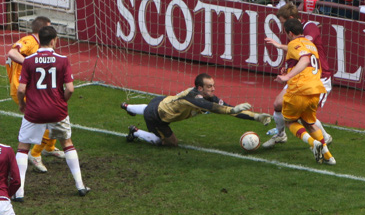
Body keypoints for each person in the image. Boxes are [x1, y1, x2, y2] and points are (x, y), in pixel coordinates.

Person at [15, 25, 89, 200]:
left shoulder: (28, 61)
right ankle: (80, 186)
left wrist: (22, 104)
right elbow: (70, 89)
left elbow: (21, 89)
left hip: (34, 111)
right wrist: (62, 101)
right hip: (57, 110)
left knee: (23, 147)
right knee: (67, 143)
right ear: (54, 40)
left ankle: (19, 192)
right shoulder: (63, 60)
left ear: (39, 40)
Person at [123, 73, 269, 147]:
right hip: (156, 116)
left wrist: (256, 117)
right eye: (209, 86)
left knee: (151, 108)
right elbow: (214, 108)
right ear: (200, 88)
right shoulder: (193, 98)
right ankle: (135, 132)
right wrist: (231, 110)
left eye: (213, 85)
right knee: (171, 143)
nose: (213, 89)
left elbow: (230, 109)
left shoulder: (207, 96)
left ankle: (129, 107)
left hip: (161, 101)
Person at [272, 18, 334, 164]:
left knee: (289, 121)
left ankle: (313, 143)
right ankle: (329, 157)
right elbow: (306, 60)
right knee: (309, 123)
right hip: (315, 90)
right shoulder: (311, 45)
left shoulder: (294, 44)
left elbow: (305, 60)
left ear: (290, 33)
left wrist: (286, 76)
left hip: (300, 90)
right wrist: (288, 67)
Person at [5, 16, 60, 175]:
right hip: (22, 89)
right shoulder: (29, 41)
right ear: (42, 29)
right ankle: (34, 154)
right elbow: (11, 52)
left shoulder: (41, 45)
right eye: (49, 27)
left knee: (54, 114)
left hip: (33, 88)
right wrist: (29, 64)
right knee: (49, 117)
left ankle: (48, 148)